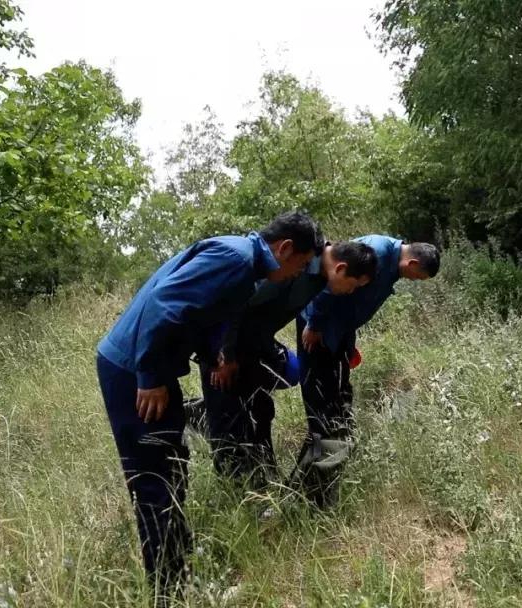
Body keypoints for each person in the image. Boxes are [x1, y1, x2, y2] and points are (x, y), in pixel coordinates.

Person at [94, 211, 323, 600]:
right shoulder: (235, 258)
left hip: (150, 368)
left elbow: (202, 315)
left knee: (173, 468)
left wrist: (216, 355)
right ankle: (169, 595)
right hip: (133, 370)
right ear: (285, 249)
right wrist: (149, 376)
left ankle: (182, 579)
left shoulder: (245, 264)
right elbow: (164, 304)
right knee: (155, 480)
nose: (298, 275)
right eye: (300, 265)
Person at [195, 240, 379, 490]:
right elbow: (233, 304)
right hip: (221, 352)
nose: (350, 292)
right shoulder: (293, 267)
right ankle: (238, 494)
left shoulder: (318, 276)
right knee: (229, 429)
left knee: (260, 409)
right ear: (340, 268)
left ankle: (264, 484)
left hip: (253, 346)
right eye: (353, 285)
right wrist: (223, 356)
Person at [293, 236, 440, 507]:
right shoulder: (377, 252)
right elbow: (332, 282)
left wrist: (347, 345)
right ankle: (308, 496)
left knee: (338, 412)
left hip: (336, 337)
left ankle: (313, 488)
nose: (414, 281)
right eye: (417, 277)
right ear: (412, 263)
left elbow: (353, 305)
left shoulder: (391, 264)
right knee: (324, 416)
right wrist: (314, 324)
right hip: (317, 335)